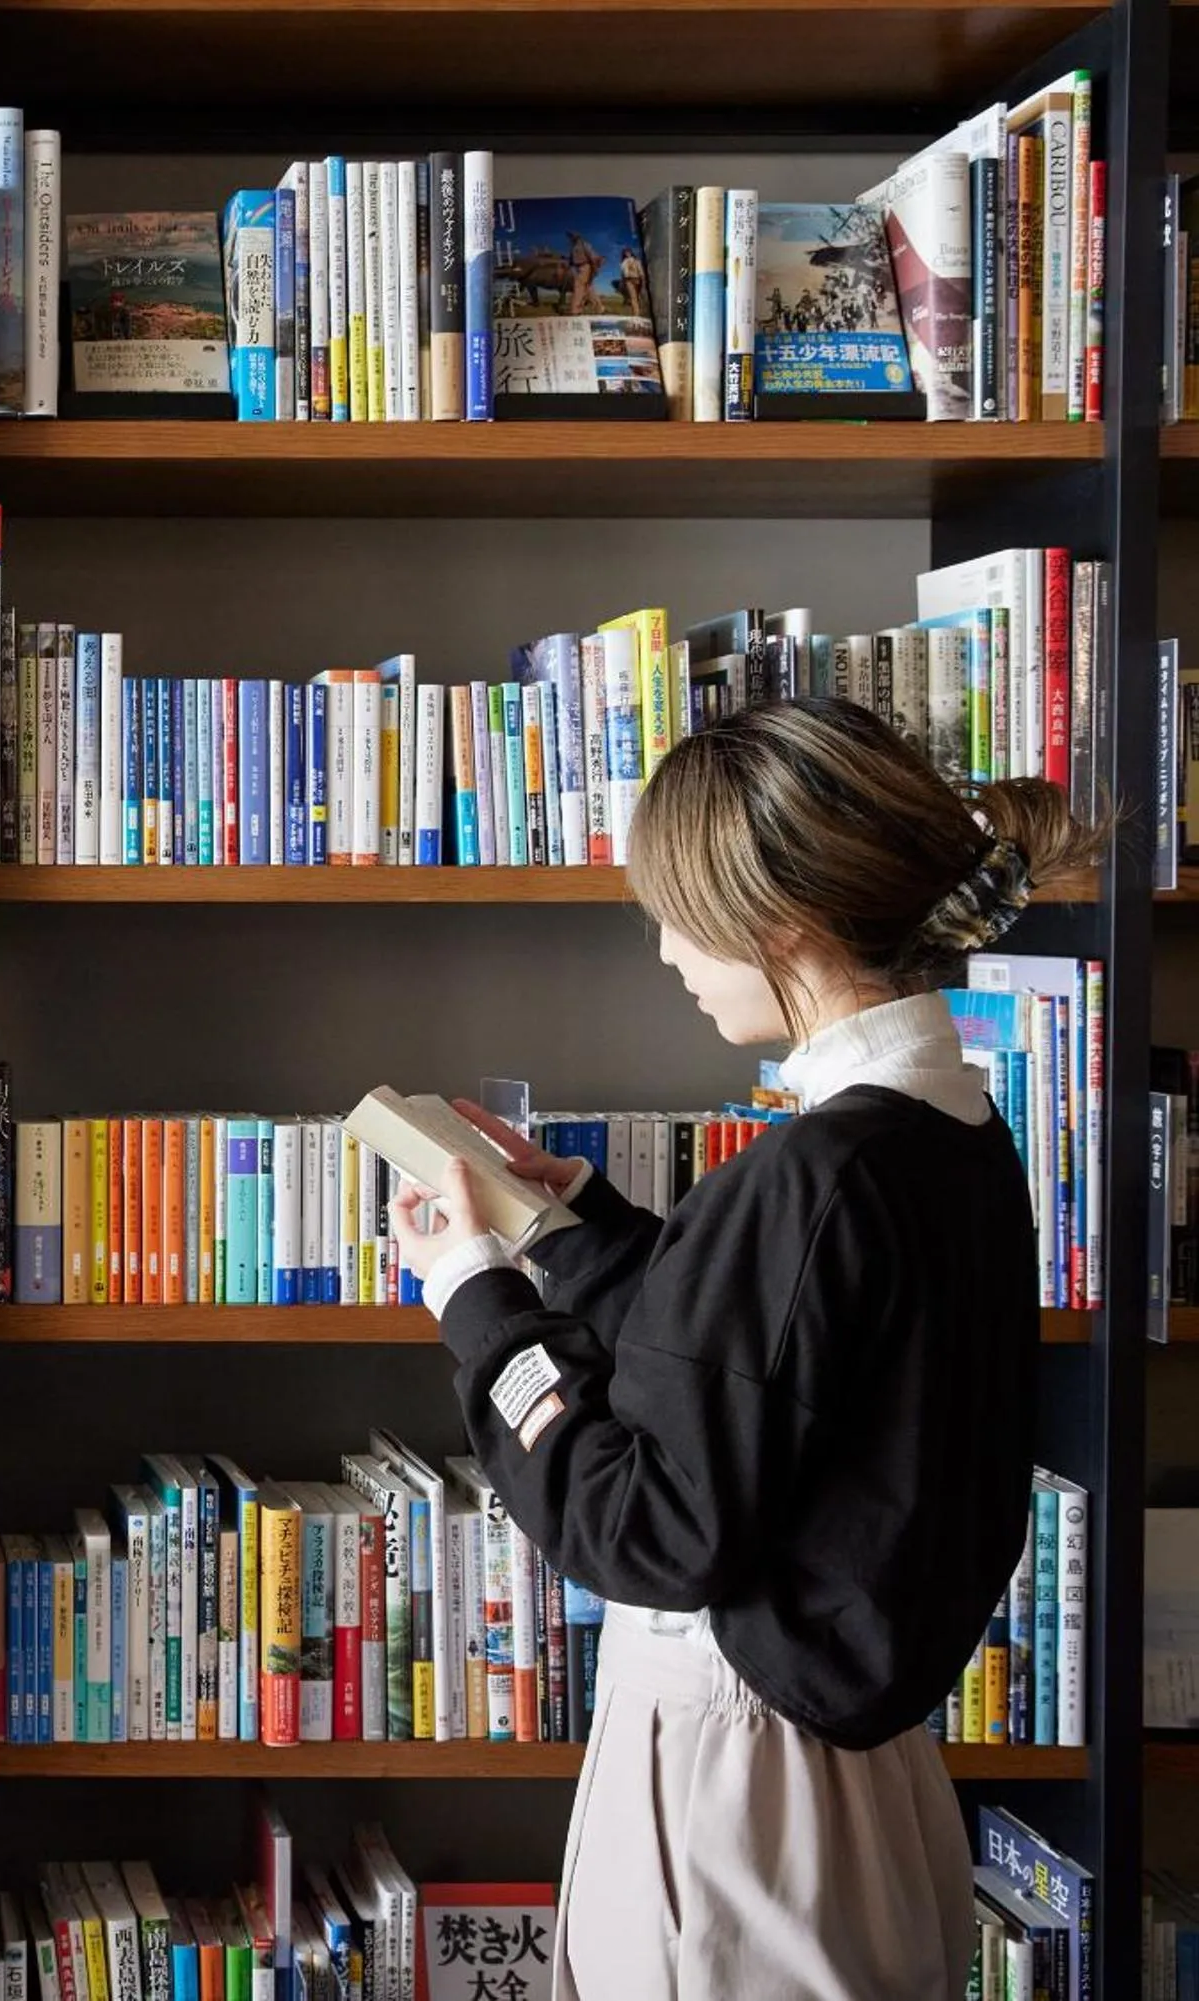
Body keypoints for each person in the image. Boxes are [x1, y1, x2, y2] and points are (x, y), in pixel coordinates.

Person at [386, 696, 1100, 2001]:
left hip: (737, 1781)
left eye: (679, 913)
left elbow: (647, 1526)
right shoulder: (948, 1136)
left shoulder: (814, 1172)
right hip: (864, 1770)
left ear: (783, 925)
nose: (664, 950)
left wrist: (472, 1292)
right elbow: (766, 1352)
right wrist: (567, 1224)